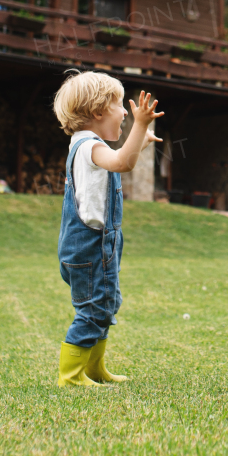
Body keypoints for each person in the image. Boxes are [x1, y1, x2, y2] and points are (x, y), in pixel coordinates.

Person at [52, 71, 163, 387]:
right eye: (119, 105)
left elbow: (117, 160)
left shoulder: (88, 145)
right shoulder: (88, 146)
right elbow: (122, 164)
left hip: (97, 246)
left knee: (104, 306)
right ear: (98, 112)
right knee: (91, 312)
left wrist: (138, 143)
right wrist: (140, 125)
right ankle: (71, 377)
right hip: (89, 247)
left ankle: (94, 369)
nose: (126, 112)